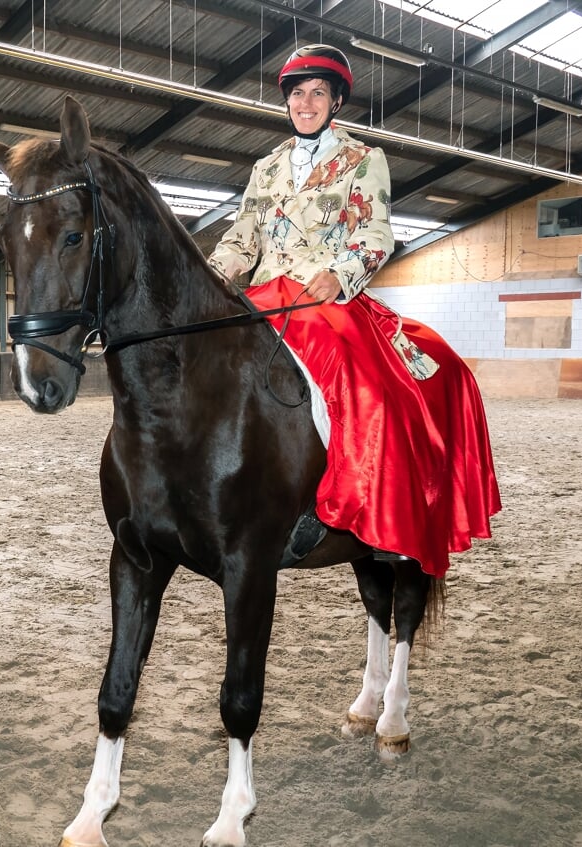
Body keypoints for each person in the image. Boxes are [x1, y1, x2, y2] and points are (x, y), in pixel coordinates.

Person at [206, 44, 500, 577]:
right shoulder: (265, 166)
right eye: (298, 94)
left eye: (318, 93)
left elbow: (375, 233)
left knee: (370, 389)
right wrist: (214, 273)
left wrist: (339, 273)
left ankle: (382, 515)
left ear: (336, 101)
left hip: (324, 296)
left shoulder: (363, 160)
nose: (306, 102)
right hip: (265, 296)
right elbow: (242, 237)